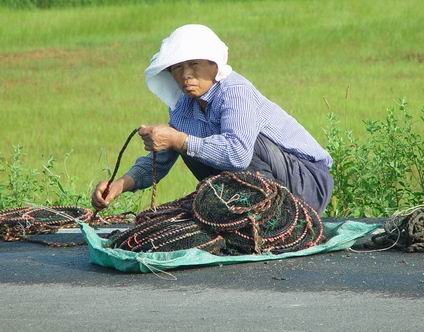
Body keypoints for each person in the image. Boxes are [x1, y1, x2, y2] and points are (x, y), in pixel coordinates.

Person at [91, 24, 333, 214]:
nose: (185, 75)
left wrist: (180, 140)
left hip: (308, 183)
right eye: (176, 68)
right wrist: (120, 185)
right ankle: (243, 211)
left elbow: (239, 154)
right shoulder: (182, 108)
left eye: (194, 65)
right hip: (268, 179)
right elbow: (160, 161)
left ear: (214, 64)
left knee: (225, 142)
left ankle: (269, 211)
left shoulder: (235, 91)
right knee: (188, 142)